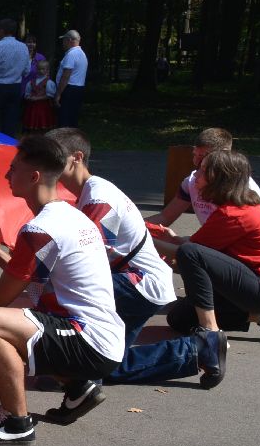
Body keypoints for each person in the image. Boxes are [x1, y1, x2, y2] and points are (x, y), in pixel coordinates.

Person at [0, 133, 123, 446]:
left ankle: (16, 422)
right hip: (103, 335)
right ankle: (77, 388)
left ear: (33, 177)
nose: (7, 175)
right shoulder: (70, 215)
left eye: (13, 169)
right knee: (28, 316)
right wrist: (0, 257)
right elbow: (35, 280)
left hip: (90, 341)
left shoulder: (39, 228)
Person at [117, 150, 260, 385]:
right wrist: (174, 241)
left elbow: (191, 255)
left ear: (219, 178)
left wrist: (139, 241)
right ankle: (257, 315)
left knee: (190, 254)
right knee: (179, 319)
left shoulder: (236, 213)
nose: (195, 174)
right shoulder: (231, 209)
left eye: (202, 170)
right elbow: (198, 250)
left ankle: (210, 332)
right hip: (247, 283)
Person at [47, 128, 176, 413]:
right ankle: (195, 352)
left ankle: (66, 368)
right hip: (142, 283)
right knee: (107, 363)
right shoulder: (91, 193)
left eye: (54, 157)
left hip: (140, 283)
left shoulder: (98, 199)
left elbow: (85, 261)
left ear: (76, 158)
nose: (47, 165)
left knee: (56, 298)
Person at [151, 127, 260, 228]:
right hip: (212, 240)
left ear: (224, 156)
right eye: (195, 155)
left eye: (203, 156)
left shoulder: (246, 192)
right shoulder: (192, 182)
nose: (196, 162)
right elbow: (165, 217)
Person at [0, 18, 29, 136]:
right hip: (15, 87)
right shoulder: (24, 47)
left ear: (1, 30)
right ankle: (8, 146)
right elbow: (26, 70)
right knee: (10, 121)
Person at [54, 29, 89, 128]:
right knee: (73, 118)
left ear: (69, 40)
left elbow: (65, 76)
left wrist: (58, 94)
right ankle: (72, 141)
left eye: (64, 40)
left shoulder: (71, 54)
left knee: (64, 119)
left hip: (69, 90)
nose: (63, 43)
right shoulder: (82, 54)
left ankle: (63, 141)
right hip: (78, 89)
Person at [20, 35, 55, 132]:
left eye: (33, 42)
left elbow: (46, 73)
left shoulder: (40, 57)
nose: (31, 44)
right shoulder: (20, 56)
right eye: (28, 42)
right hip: (22, 87)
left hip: (38, 89)